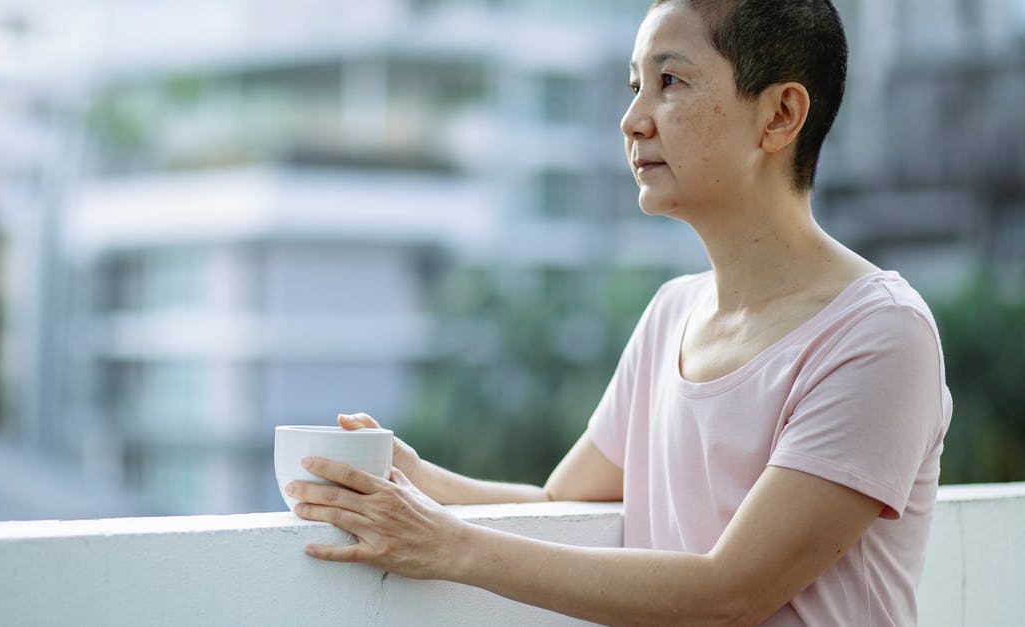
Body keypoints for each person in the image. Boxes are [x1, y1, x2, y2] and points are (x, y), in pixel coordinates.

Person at [285, 0, 952, 624]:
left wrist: (449, 546)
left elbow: (732, 591)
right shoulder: (671, 314)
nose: (634, 119)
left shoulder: (879, 333)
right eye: (635, 84)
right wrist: (416, 476)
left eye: (671, 81)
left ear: (779, 115)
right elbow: (559, 502)